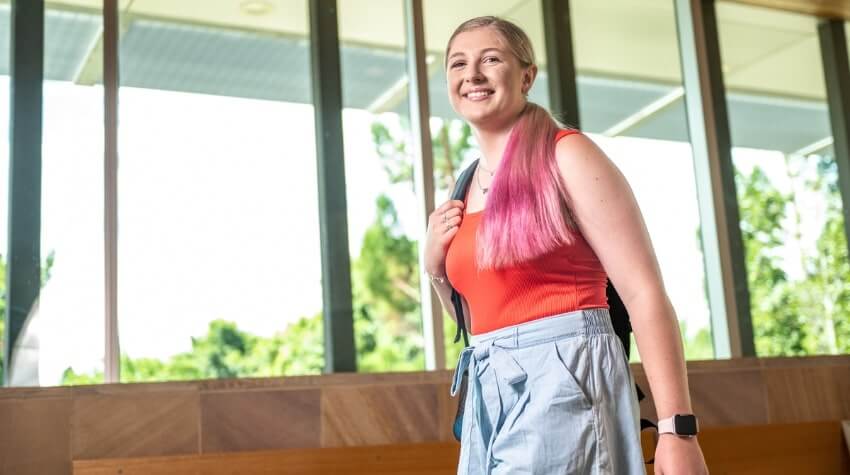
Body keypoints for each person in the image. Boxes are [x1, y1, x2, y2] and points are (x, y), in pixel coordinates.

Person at [423, 16, 709, 475]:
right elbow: (482, 321)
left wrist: (677, 431)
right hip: (489, 388)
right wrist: (436, 269)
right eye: (458, 64)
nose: (472, 74)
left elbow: (643, 292)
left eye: (490, 59)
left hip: (566, 374)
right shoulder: (465, 184)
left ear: (527, 76)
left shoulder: (566, 155)